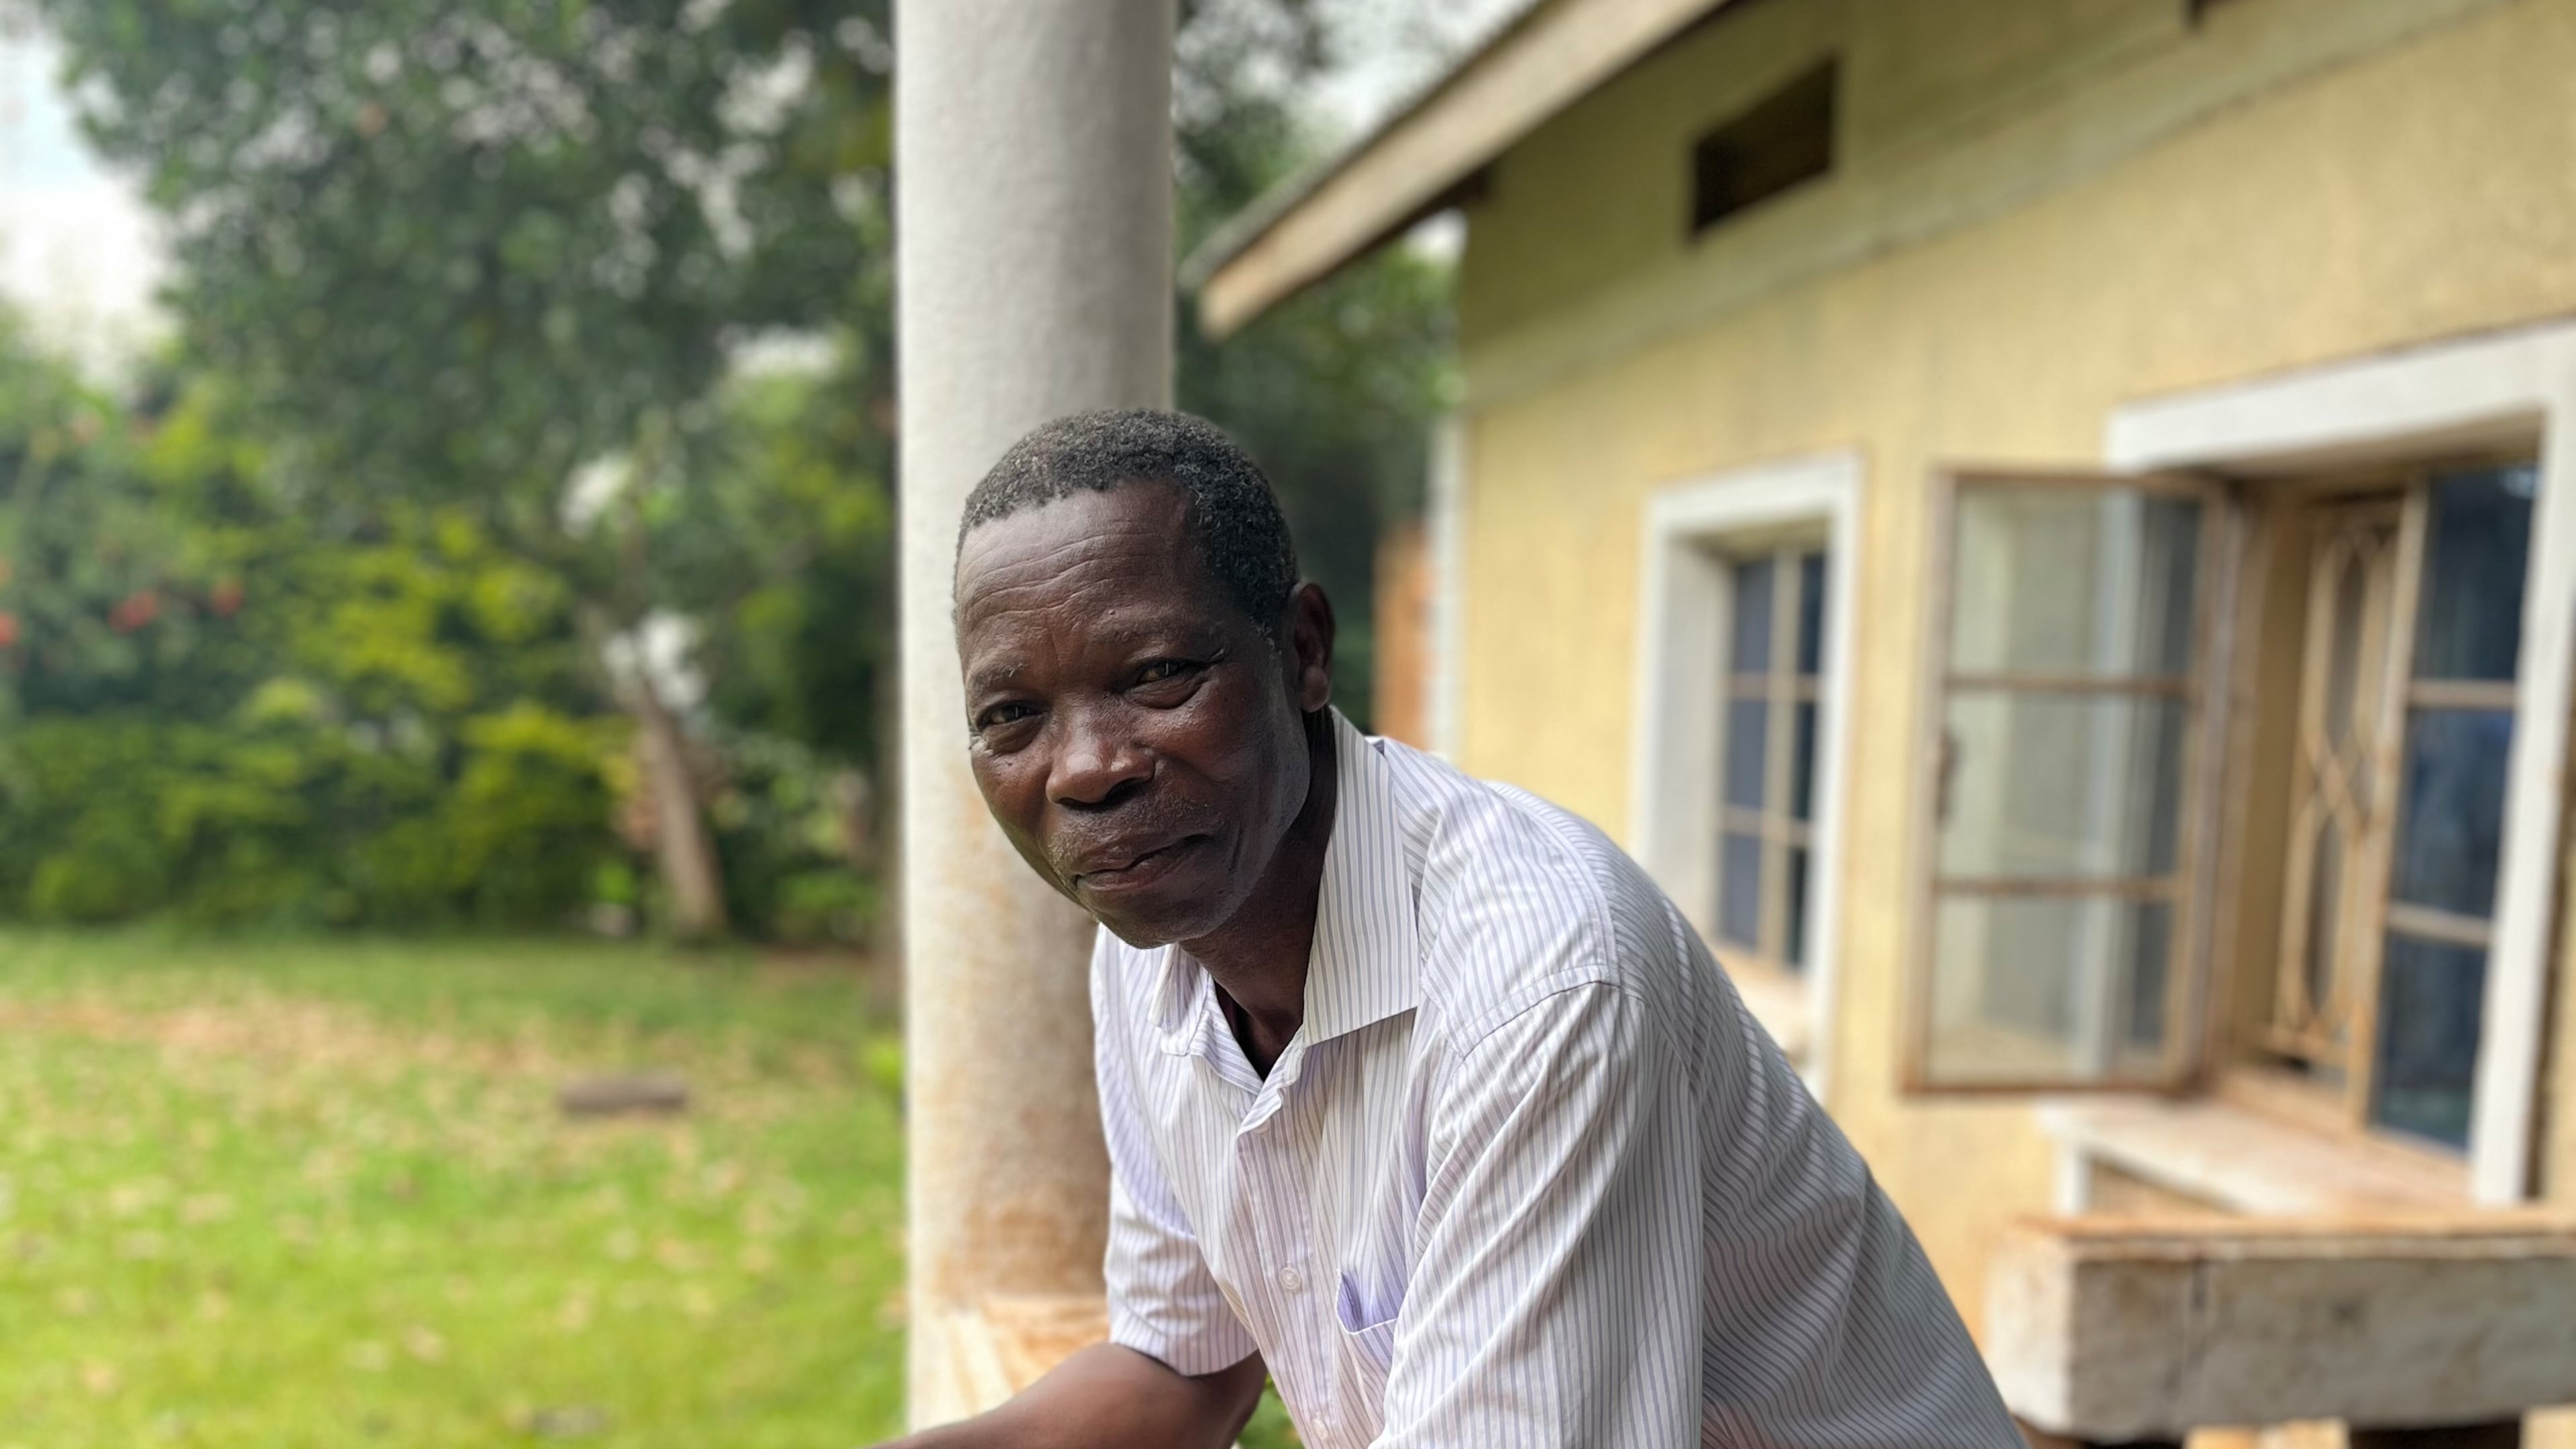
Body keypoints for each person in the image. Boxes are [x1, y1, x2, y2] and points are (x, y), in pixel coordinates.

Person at [896, 409, 2022, 1448]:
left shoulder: (1544, 987)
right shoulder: (1154, 947)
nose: (1087, 769)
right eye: (1012, 717)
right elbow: (1180, 1371)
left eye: (1156, 676)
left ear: (1301, 652)